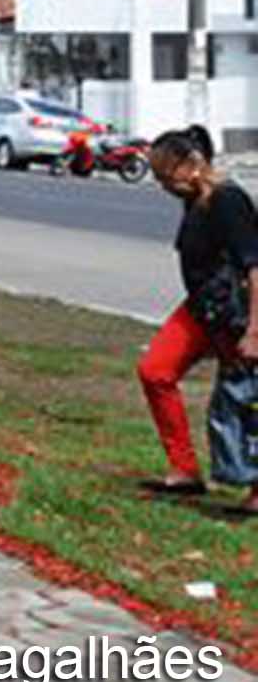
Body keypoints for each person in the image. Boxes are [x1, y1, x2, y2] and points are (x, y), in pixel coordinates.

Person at [135, 125, 258, 506]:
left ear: (192, 165)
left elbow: (254, 268)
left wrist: (254, 330)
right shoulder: (196, 200)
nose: (164, 186)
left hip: (234, 312)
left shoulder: (228, 201)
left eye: (165, 176)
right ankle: (184, 470)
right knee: (155, 370)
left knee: (245, 397)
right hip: (201, 308)